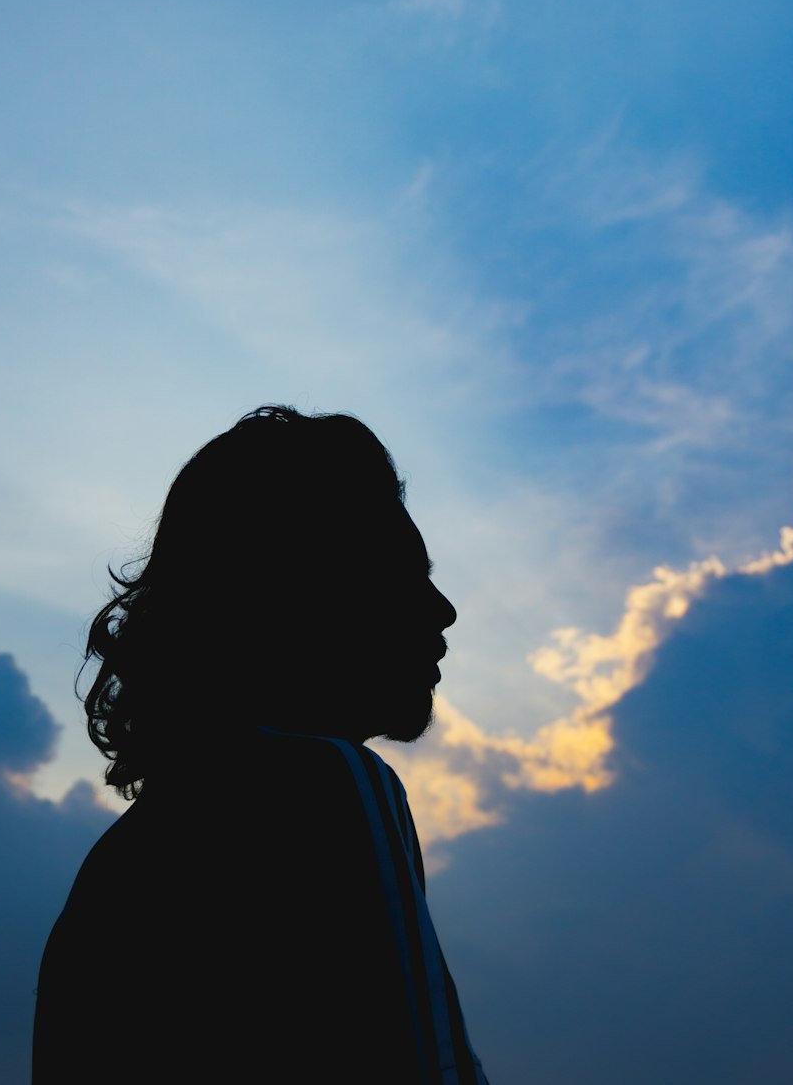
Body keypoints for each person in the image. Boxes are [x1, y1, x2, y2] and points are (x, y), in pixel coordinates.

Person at [32, 405, 489, 1083]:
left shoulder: (117, 866)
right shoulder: (323, 784)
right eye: (401, 572)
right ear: (308, 590)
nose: (441, 608)